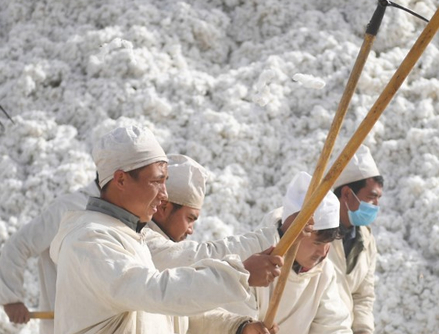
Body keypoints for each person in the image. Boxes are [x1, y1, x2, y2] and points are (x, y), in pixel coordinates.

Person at [49, 125, 281, 334]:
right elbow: (157, 292)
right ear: (120, 180)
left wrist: (238, 327)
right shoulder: (89, 239)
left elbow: (170, 315)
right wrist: (240, 275)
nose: (164, 194)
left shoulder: (130, 236)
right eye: (157, 181)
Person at [244, 171, 353, 334]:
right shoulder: (254, 263)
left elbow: (334, 326)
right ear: (296, 233)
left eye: (327, 243)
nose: (323, 252)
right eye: (317, 242)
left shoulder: (323, 273)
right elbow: (233, 322)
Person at [0, 178, 100, 334]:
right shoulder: (69, 208)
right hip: (64, 327)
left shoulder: (135, 215)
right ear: (119, 178)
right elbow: (17, 246)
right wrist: (12, 299)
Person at [328, 145, 384, 334]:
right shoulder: (312, 231)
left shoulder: (365, 240)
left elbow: (363, 295)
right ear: (346, 194)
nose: (376, 205)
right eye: (371, 197)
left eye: (378, 199)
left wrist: (364, 330)